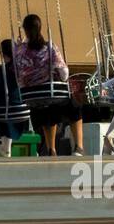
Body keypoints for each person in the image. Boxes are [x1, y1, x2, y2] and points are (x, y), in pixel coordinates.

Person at [14, 14, 83, 156]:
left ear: (24, 30)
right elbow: (64, 73)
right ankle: (79, 147)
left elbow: (18, 76)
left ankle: (51, 149)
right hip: (51, 93)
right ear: (40, 28)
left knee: (48, 112)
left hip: (31, 97)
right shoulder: (49, 47)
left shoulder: (19, 50)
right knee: (74, 108)